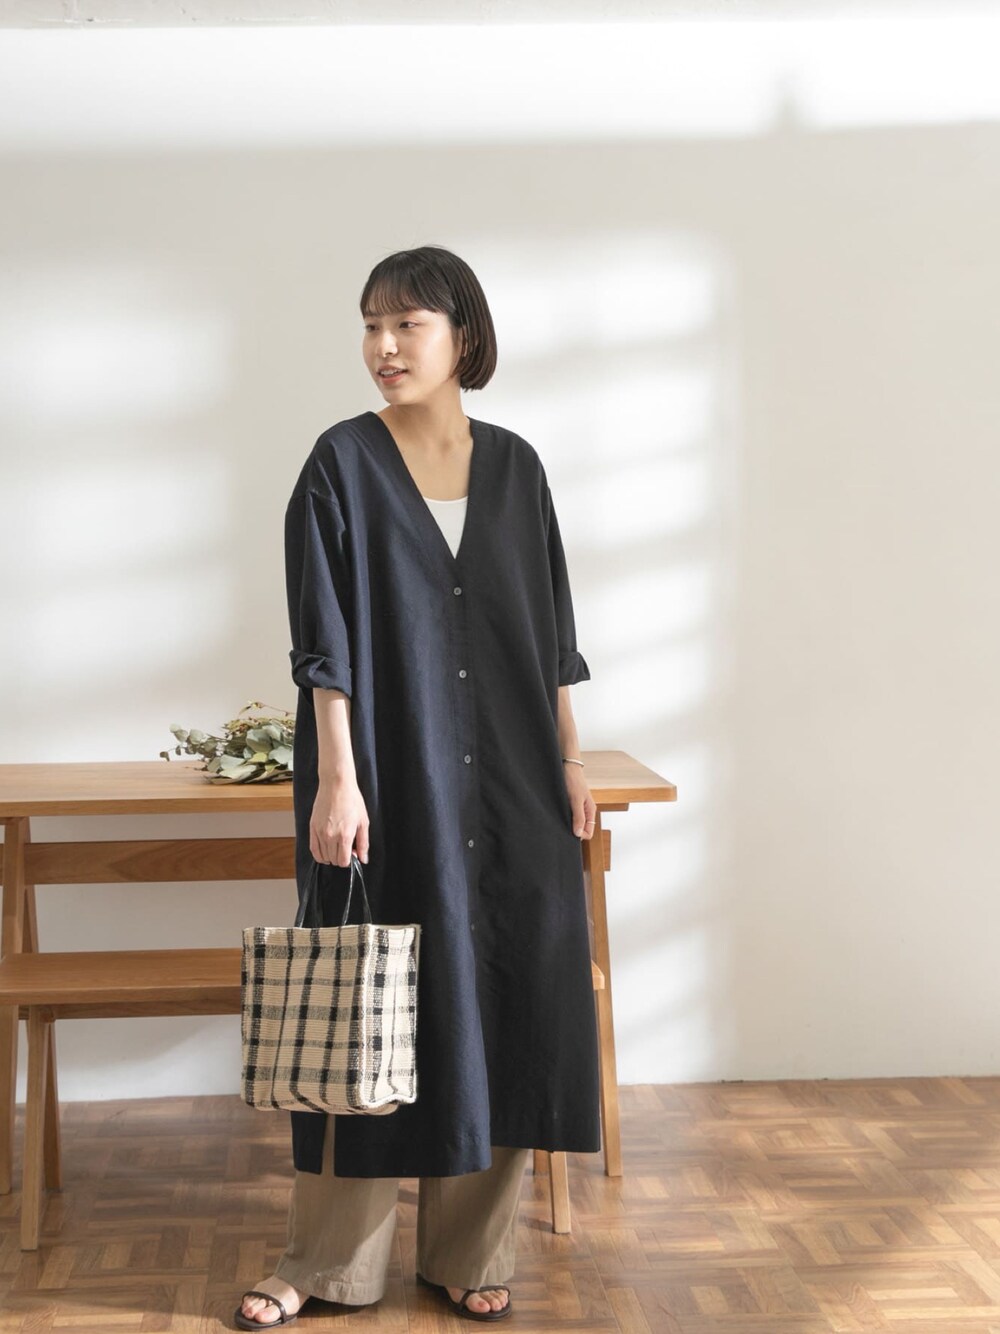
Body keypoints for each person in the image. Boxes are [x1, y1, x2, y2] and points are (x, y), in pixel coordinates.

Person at [235, 245, 601, 1328]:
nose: (383, 347)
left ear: (463, 337)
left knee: (505, 994)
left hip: (518, 781)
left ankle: (468, 1252)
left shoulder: (519, 468)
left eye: (407, 325)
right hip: (387, 777)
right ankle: (326, 1263)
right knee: (364, 1002)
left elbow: (553, 637)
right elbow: (324, 645)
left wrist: (571, 763)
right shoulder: (340, 463)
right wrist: (337, 780)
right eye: (371, 325)